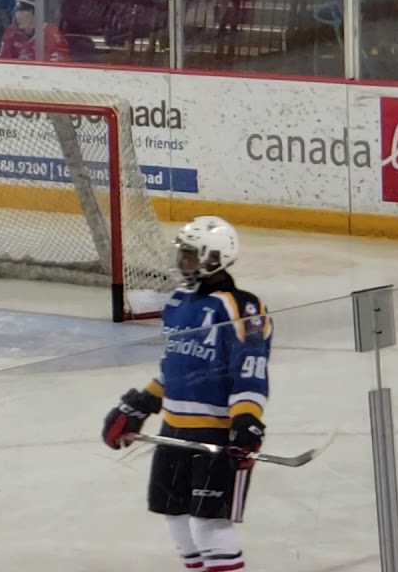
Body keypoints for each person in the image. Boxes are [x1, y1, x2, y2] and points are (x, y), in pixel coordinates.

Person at [101, 216, 273, 572]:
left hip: (216, 434)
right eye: (182, 254)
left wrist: (246, 421)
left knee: (208, 525)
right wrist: (139, 405)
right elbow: (174, 368)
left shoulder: (244, 308)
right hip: (174, 430)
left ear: (216, 259)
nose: (183, 262)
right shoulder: (178, 301)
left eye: (191, 255)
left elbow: (250, 369)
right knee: (176, 518)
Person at [0, 0, 70, 61]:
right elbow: (3, 61)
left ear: (36, 13)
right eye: (17, 11)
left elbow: (59, 64)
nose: (18, 16)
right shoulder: (11, 33)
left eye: (23, 11)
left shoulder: (52, 34)